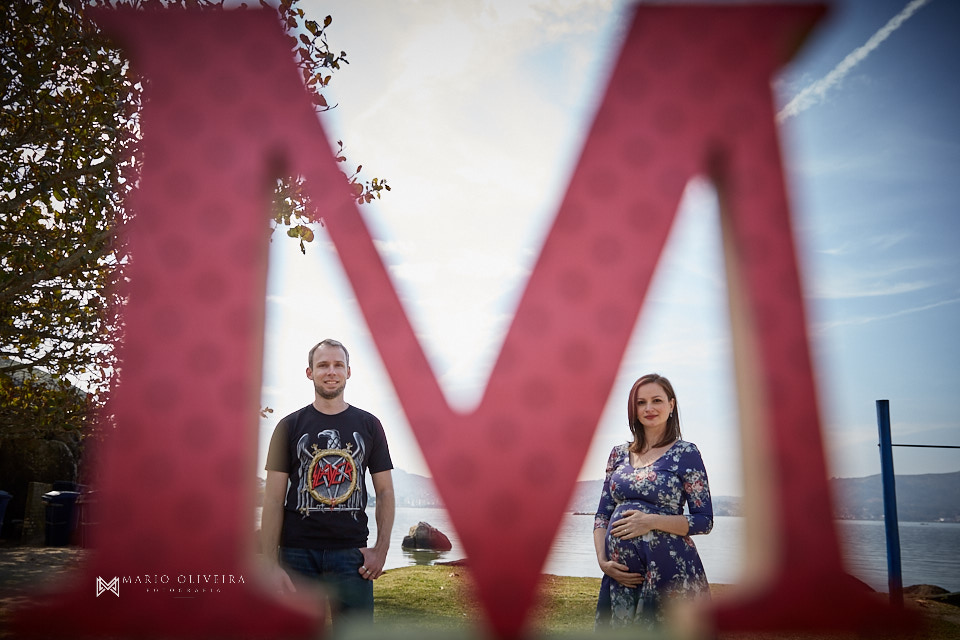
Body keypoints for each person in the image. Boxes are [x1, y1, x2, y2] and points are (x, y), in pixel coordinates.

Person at [262, 338, 395, 626]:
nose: (331, 371)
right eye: (323, 365)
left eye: (338, 365)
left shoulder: (369, 425)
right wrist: (271, 563)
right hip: (296, 554)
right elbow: (273, 499)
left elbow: (384, 492)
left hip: (352, 556)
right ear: (309, 372)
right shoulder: (288, 426)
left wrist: (381, 550)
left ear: (349, 372)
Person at [593, 373, 713, 629]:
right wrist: (603, 562)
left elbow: (704, 521)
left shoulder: (686, 453)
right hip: (621, 579)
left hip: (669, 574)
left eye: (657, 400)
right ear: (633, 409)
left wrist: (651, 522)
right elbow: (602, 514)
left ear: (671, 405)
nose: (649, 408)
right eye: (641, 402)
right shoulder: (618, 454)